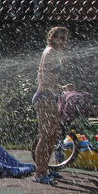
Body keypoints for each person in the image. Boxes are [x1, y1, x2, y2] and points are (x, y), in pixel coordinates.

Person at [32, 26, 72, 184]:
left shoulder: (54, 52)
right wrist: (58, 91)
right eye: (61, 38)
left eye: (66, 39)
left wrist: (61, 89)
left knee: (52, 135)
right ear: (53, 37)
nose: (64, 42)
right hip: (44, 98)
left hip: (50, 96)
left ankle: (45, 169)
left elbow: (47, 76)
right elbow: (45, 77)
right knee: (45, 136)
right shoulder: (50, 53)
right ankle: (39, 174)